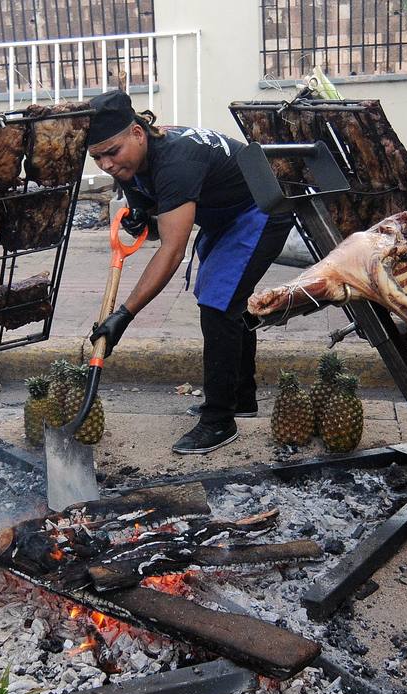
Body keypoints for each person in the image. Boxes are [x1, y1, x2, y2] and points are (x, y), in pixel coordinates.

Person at [84, 90, 294, 454]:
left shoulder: (176, 160)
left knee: (218, 305)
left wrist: (124, 314)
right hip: (225, 215)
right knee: (225, 302)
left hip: (260, 210)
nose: (106, 164)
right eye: (97, 157)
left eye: (112, 152)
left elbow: (172, 249)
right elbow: (149, 205)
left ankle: (219, 421)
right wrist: (141, 216)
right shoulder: (134, 158)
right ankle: (240, 398)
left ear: (137, 132)